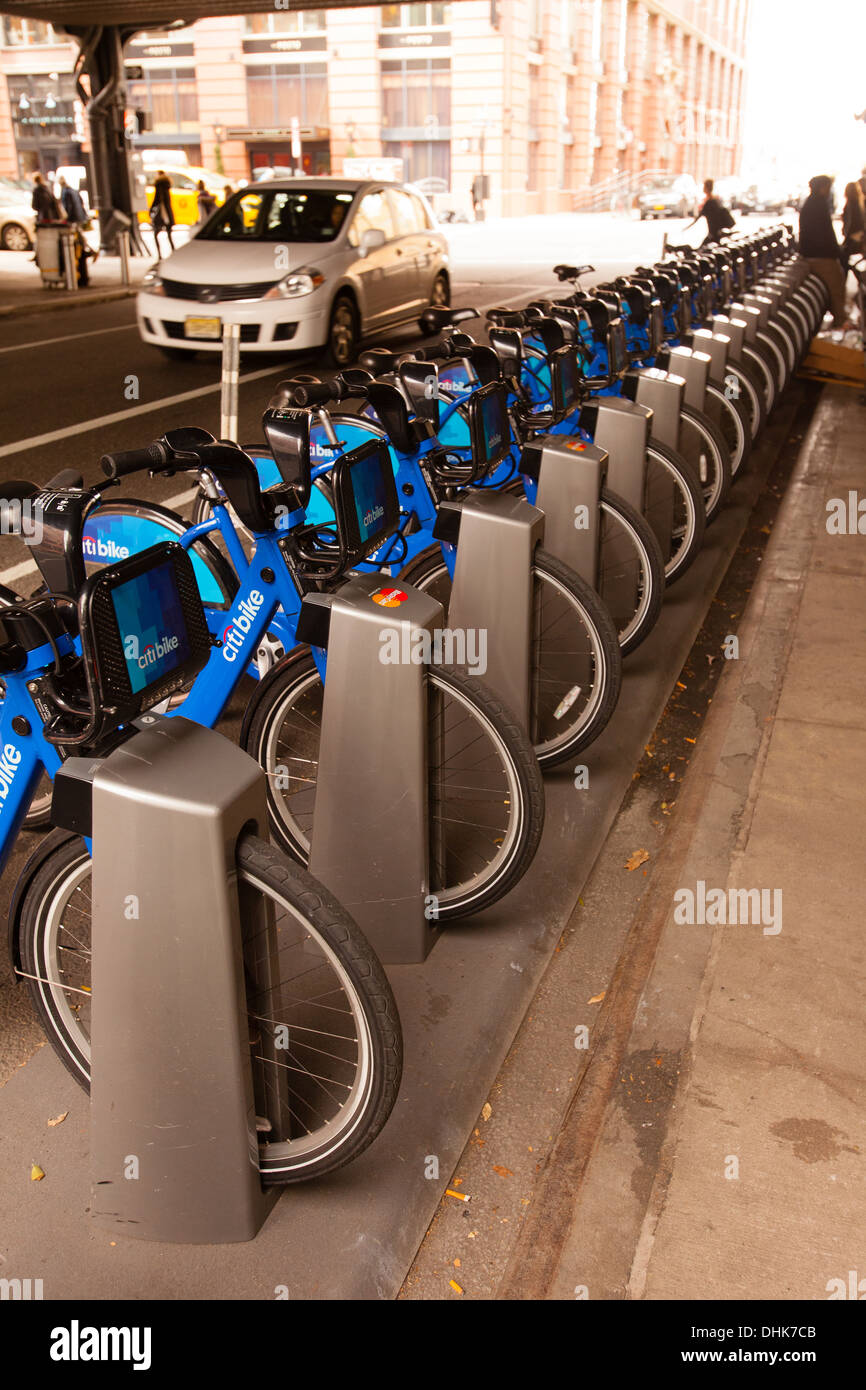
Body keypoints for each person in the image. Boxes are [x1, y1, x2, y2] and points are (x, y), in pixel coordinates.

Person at [798, 174, 847, 328]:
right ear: (822, 187)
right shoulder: (819, 204)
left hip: (811, 253)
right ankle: (841, 324)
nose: (828, 190)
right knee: (836, 288)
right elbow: (826, 232)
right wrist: (837, 251)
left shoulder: (810, 202)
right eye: (827, 186)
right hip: (822, 256)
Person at [58, 175, 97, 287]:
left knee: (76, 245)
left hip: (73, 219)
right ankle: (87, 252)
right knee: (79, 243)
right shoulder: (73, 190)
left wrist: (67, 218)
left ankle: (88, 254)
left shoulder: (65, 192)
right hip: (80, 218)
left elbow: (68, 207)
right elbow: (81, 202)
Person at [685, 178, 735, 245]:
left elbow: (700, 216)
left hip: (713, 232)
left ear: (707, 188)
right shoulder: (715, 199)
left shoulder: (710, 202)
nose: (703, 188)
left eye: (704, 186)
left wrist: (685, 228)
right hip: (716, 232)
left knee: (705, 248)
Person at [841, 179, 866, 282]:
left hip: (853, 238)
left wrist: (846, 236)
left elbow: (851, 222)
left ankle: (844, 281)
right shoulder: (859, 202)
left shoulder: (851, 204)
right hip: (859, 237)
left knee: (843, 259)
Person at [149, 170, 175, 258]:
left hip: (160, 214)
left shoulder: (159, 185)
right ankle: (173, 251)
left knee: (156, 233)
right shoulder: (168, 186)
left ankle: (159, 254)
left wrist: (151, 210)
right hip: (168, 212)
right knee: (169, 234)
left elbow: (157, 199)